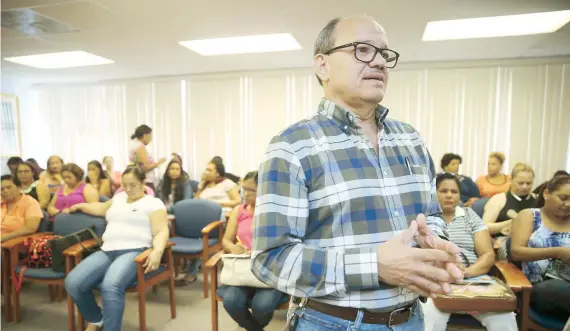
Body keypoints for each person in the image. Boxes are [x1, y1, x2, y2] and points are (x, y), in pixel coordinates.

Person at [252, 15, 463, 331]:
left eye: (384, 54)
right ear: (322, 65)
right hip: (332, 322)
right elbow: (270, 259)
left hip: (411, 320)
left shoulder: (410, 139)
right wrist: (374, 266)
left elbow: (432, 216)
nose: (379, 61)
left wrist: (433, 242)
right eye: (363, 50)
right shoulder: (293, 146)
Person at [64, 166, 170, 331]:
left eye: (132, 185)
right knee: (73, 282)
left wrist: (157, 251)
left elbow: (161, 230)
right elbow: (100, 208)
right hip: (107, 251)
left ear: (143, 183)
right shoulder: (119, 197)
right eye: (124, 184)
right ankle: (97, 319)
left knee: (110, 285)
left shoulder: (153, 203)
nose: (128, 189)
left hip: (134, 251)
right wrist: (80, 206)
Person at [421, 173, 518, 331]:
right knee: (429, 317)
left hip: (473, 279)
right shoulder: (425, 217)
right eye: (443, 191)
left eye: (454, 192)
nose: (449, 196)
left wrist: (465, 273)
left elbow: (487, 255)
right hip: (436, 282)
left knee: (504, 317)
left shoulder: (469, 215)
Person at [218, 171, 287, 330]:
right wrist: (233, 247)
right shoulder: (238, 211)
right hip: (242, 270)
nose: (245, 193)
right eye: (243, 189)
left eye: (251, 190)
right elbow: (226, 240)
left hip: (268, 270)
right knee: (231, 300)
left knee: (262, 306)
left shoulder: (275, 213)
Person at [510, 175, 570, 321]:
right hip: (539, 287)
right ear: (546, 194)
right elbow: (516, 252)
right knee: (557, 288)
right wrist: (558, 252)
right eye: (563, 198)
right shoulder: (530, 216)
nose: (568, 204)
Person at [1, 174, 43, 242]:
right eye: (1, 189)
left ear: (19, 187)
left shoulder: (30, 202)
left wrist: (4, 237)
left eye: (9, 187)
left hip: (15, 243)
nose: (5, 191)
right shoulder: (1, 202)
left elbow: (30, 228)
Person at [128, 125, 166, 191]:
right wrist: (159, 163)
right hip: (146, 180)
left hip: (141, 179)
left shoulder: (134, 143)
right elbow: (145, 168)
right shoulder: (140, 146)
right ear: (145, 135)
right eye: (150, 136)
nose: (151, 139)